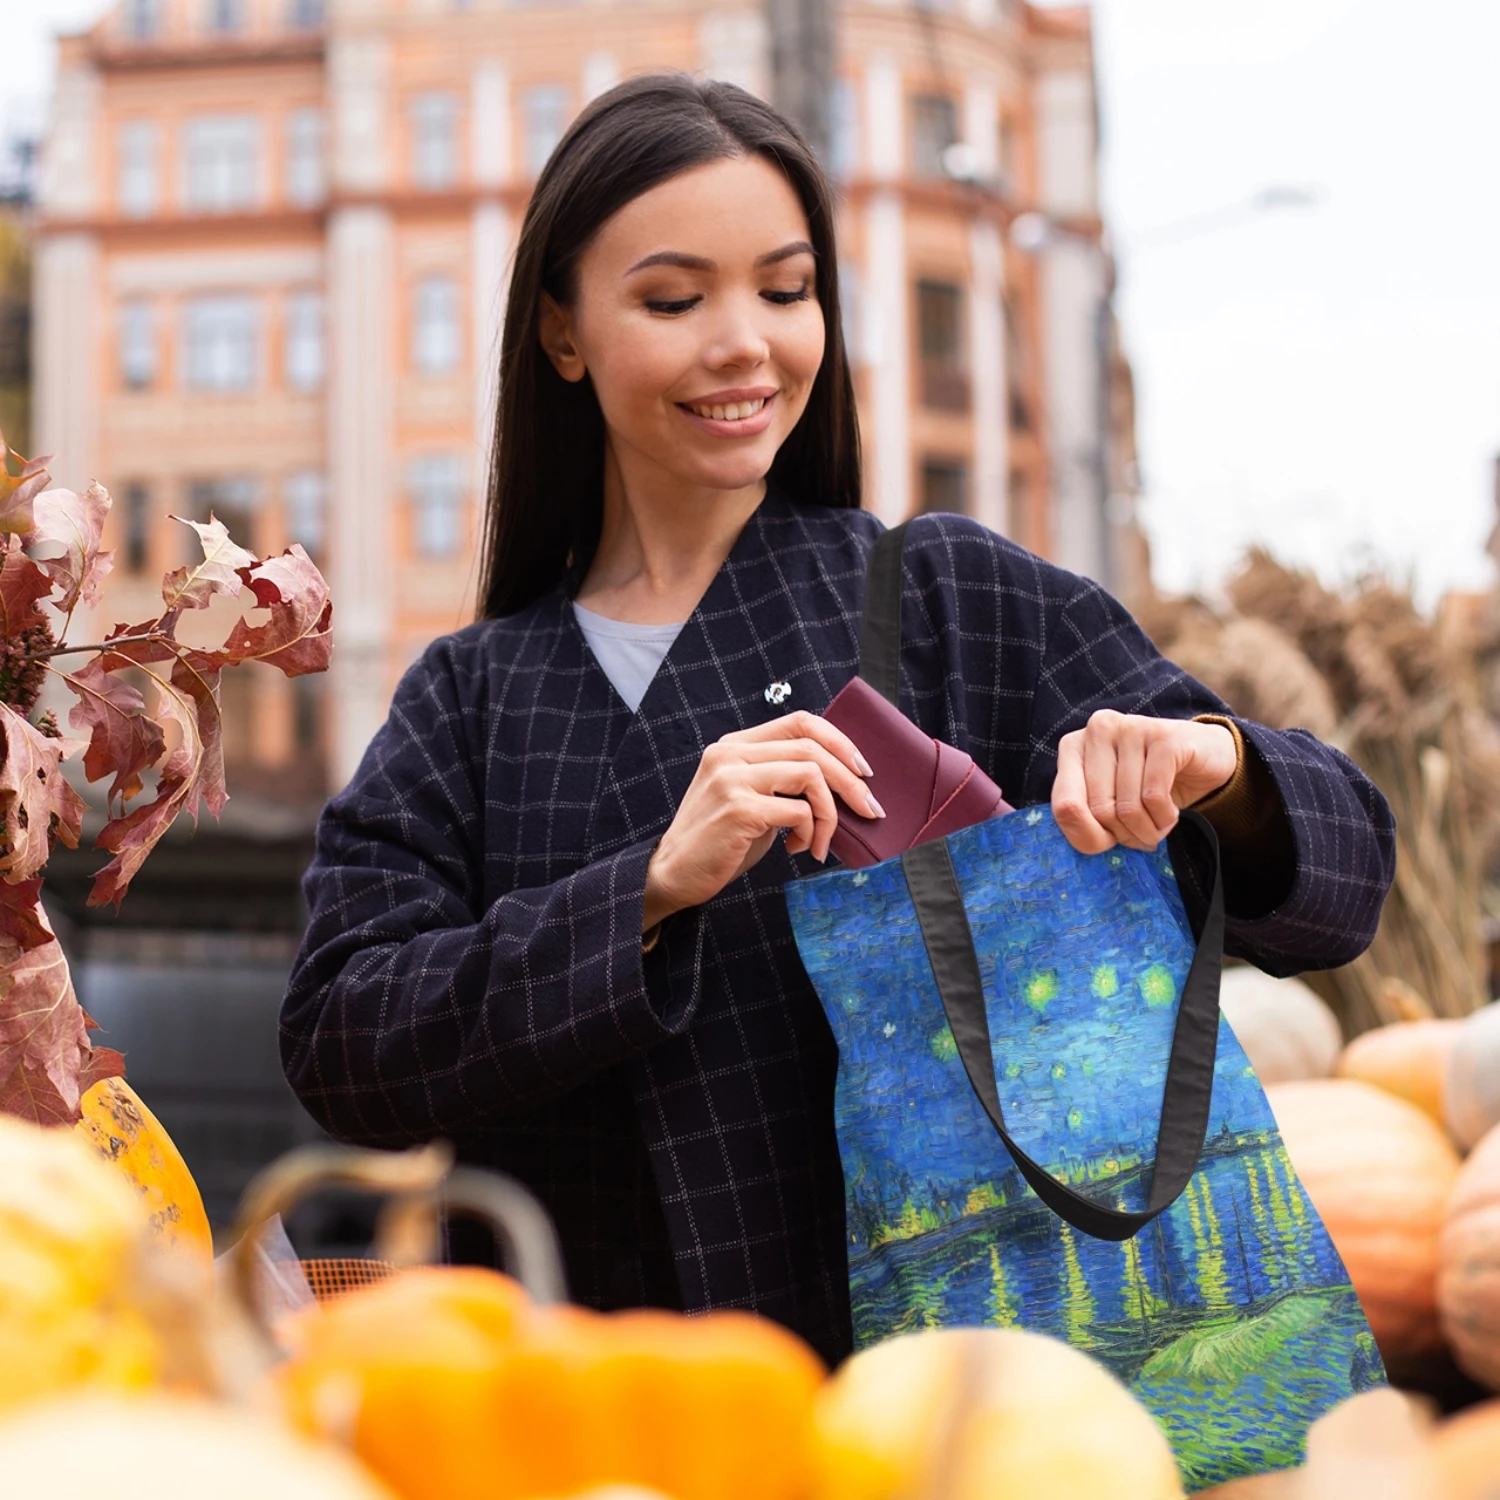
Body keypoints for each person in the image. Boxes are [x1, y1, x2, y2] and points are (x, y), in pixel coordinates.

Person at [280, 74, 1395, 1367]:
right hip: (592, 1418)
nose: (746, 341)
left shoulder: (951, 598)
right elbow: (341, 1043)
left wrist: (1221, 769)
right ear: (563, 332)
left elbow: (1344, 879)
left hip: (963, 1402)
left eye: (786, 287)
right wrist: (642, 889)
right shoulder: (472, 695)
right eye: (673, 297)